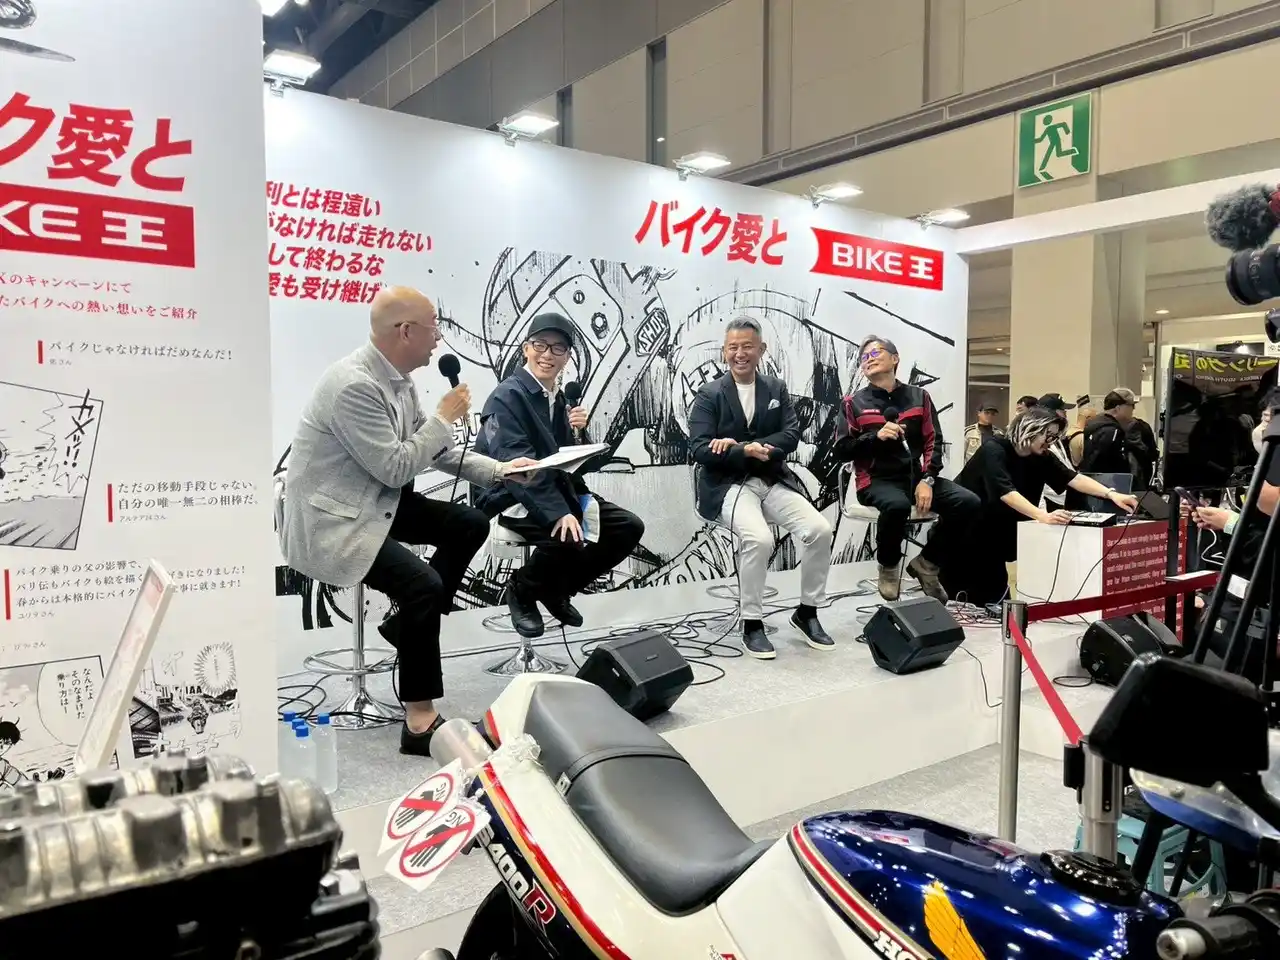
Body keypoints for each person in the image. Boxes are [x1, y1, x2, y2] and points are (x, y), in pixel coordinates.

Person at [279, 286, 535, 756]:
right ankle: (419, 721)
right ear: (405, 332)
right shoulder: (353, 387)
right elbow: (396, 467)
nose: (439, 339)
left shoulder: (398, 380)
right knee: (423, 586)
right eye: (433, 329)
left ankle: (405, 628)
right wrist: (442, 418)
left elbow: (435, 451)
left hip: (374, 501)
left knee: (470, 523)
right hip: (334, 520)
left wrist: (500, 470)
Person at [474, 312, 645, 640]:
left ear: (567, 357)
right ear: (526, 348)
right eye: (540, 345)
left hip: (554, 487)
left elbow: (569, 461)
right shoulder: (506, 396)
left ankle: (556, 590)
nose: (548, 355)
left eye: (558, 348)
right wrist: (559, 512)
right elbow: (515, 464)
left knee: (627, 527)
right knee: (568, 535)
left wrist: (579, 434)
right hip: (508, 493)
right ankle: (522, 590)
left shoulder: (558, 398)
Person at [688, 315, 835, 660]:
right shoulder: (709, 394)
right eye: (733, 347)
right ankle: (751, 621)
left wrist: (752, 447)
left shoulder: (776, 388)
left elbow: (791, 434)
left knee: (819, 530)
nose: (740, 354)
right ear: (724, 351)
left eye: (747, 347)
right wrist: (742, 451)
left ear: (761, 349)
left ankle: (807, 612)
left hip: (771, 479)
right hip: (728, 485)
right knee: (759, 538)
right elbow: (699, 448)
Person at [835, 335, 980, 603]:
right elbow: (842, 449)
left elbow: (933, 440)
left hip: (915, 477)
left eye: (875, 353)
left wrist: (928, 479)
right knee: (897, 505)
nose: (869, 360)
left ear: (895, 358)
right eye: (864, 357)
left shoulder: (919, 397)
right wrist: (874, 437)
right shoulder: (853, 403)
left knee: (968, 502)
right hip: (875, 480)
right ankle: (888, 566)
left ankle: (928, 563)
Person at [953, 407, 1139, 603]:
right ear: (1030, 429)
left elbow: (1073, 478)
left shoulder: (1041, 457)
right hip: (965, 534)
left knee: (993, 595)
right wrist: (1042, 515)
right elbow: (1005, 492)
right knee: (964, 596)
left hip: (993, 538)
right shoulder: (993, 449)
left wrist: (1112, 494)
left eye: (1054, 437)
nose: (1051, 442)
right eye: (1048, 435)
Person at [1079, 389, 1137, 477]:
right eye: (1131, 406)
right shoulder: (1112, 431)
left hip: (1093, 479)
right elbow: (1106, 464)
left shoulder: (1094, 423)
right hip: (1107, 481)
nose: (1133, 409)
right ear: (1118, 408)